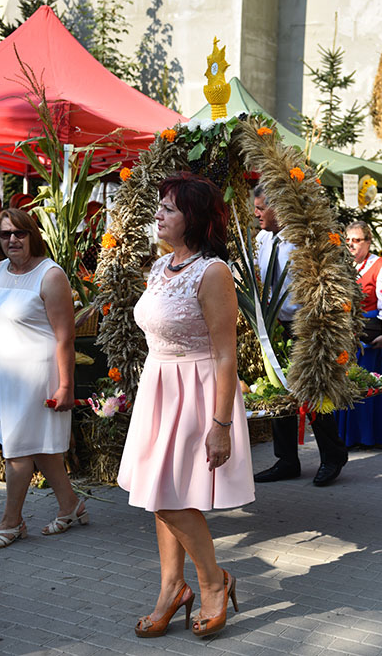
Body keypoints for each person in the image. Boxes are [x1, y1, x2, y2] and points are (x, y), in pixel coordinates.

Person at [117, 172, 253, 638]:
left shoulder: (212, 271)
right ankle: (172, 588)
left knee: (170, 499)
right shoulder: (162, 267)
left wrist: (221, 424)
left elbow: (225, 353)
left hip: (196, 392)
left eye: (169, 208)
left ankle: (213, 581)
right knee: (159, 496)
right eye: (159, 206)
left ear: (193, 218)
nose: (158, 214)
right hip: (159, 388)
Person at [0, 209, 83, 550]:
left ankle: (11, 522)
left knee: (17, 450)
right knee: (40, 449)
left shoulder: (50, 276)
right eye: (5, 234)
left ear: (32, 236)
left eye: (19, 233)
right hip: (8, 377)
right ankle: (71, 506)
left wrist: (65, 385)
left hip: (39, 376)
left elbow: (65, 337)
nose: (12, 240)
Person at [250, 185, 349, 486]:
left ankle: (333, 455)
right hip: (274, 325)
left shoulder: (303, 240)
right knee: (280, 389)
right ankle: (286, 459)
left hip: (306, 325)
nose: (256, 213)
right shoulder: (263, 239)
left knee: (314, 390)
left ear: (279, 208)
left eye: (260, 208)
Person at [336, 221, 382, 448]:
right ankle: (345, 436)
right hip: (342, 334)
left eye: (356, 240)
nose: (351, 244)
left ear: (368, 242)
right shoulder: (341, 264)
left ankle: (368, 436)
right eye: (348, 240)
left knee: (365, 382)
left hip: (367, 335)